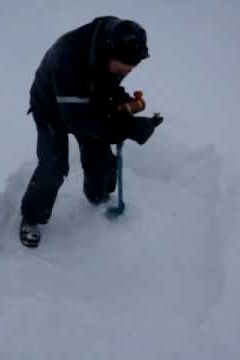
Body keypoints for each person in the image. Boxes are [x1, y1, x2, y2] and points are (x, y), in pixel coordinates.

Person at [20, 16, 163, 248]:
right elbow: (79, 121)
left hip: (82, 98)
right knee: (54, 165)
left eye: (131, 68)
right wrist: (126, 128)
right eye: (122, 66)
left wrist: (124, 105)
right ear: (109, 51)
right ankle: (31, 217)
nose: (125, 71)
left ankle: (97, 195)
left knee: (100, 156)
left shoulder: (117, 43)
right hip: (50, 105)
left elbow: (105, 87)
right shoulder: (66, 58)